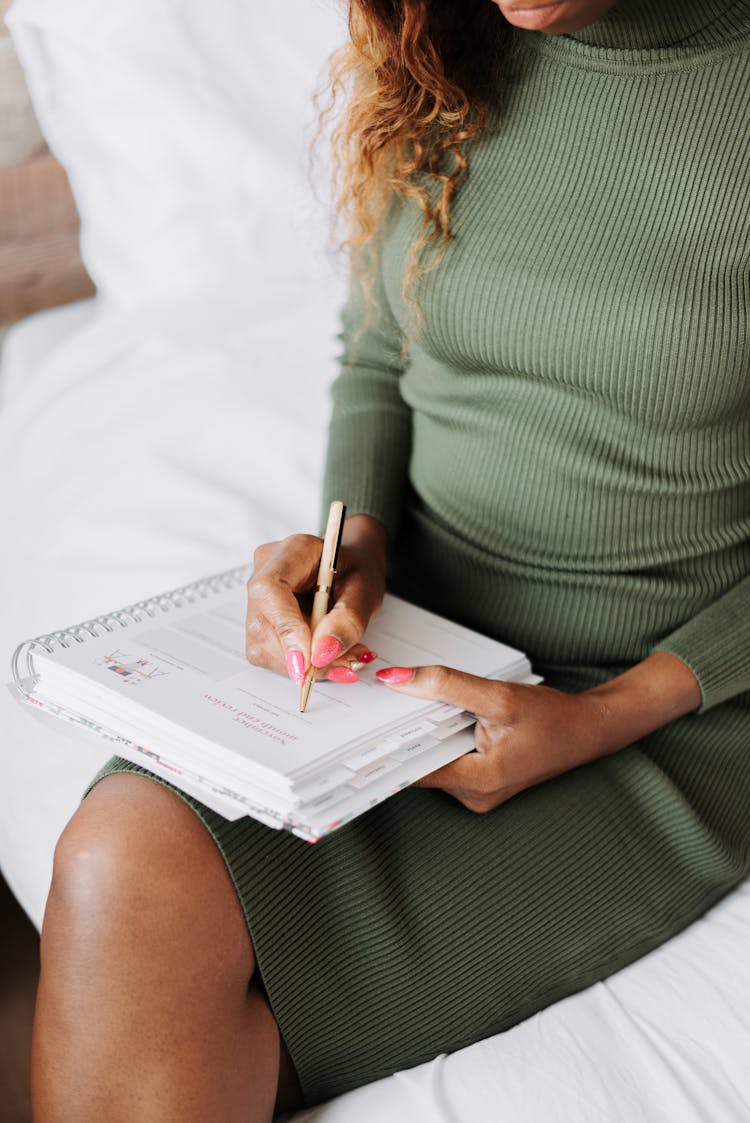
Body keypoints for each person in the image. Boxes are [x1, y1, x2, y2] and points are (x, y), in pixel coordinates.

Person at [32, 0, 750, 1120]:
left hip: (672, 697)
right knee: (118, 857)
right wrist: (351, 544)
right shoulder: (440, 32)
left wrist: (602, 714)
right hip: (425, 642)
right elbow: (379, 342)